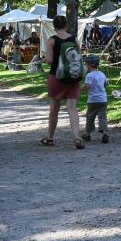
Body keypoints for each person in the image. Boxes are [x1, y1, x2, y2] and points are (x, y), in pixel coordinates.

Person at [41, 15, 83, 149]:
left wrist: (44, 59)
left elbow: (50, 60)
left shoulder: (51, 41)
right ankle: (77, 137)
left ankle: (50, 138)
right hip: (73, 76)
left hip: (56, 77)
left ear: (54, 26)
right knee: (72, 108)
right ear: (66, 25)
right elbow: (79, 56)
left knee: (54, 110)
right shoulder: (74, 38)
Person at [82, 55, 109, 143]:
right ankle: (105, 133)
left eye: (86, 64)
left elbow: (88, 86)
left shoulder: (89, 75)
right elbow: (105, 84)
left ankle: (87, 134)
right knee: (103, 117)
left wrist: (79, 89)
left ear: (90, 65)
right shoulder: (102, 74)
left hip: (93, 100)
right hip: (103, 100)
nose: (86, 65)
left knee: (90, 117)